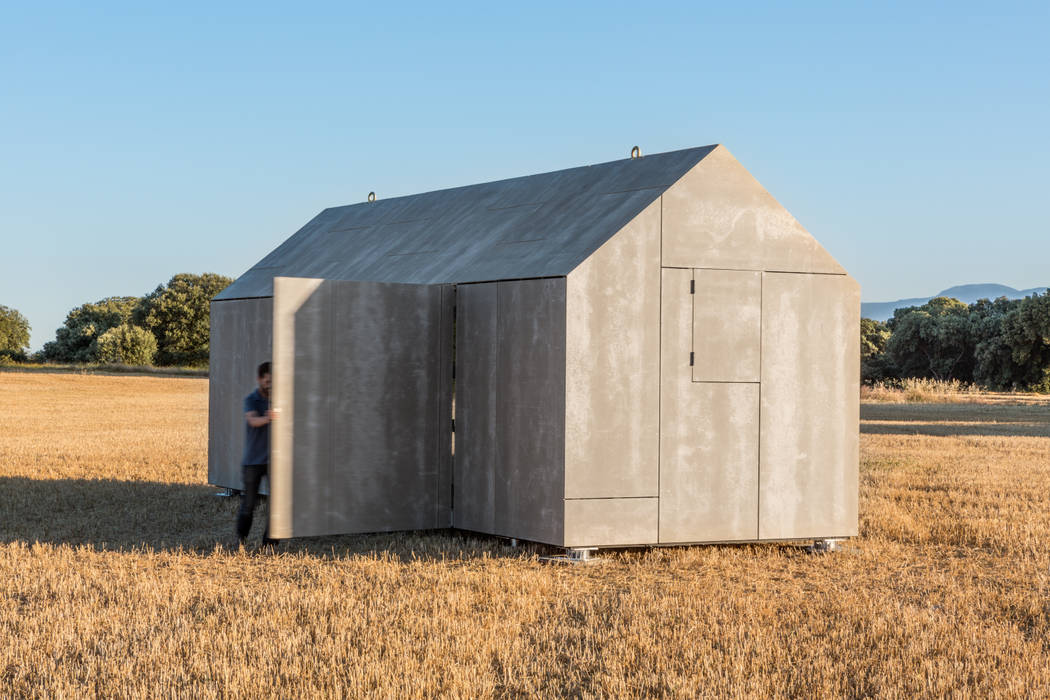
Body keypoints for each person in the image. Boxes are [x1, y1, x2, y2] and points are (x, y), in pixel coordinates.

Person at [236, 361, 278, 547]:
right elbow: (253, 421)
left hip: (274, 462)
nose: (270, 384)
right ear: (259, 379)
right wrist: (269, 417)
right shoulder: (251, 399)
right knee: (249, 505)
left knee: (276, 506)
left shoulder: (278, 400)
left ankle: (269, 544)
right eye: (267, 381)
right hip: (252, 462)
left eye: (273, 381)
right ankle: (241, 540)